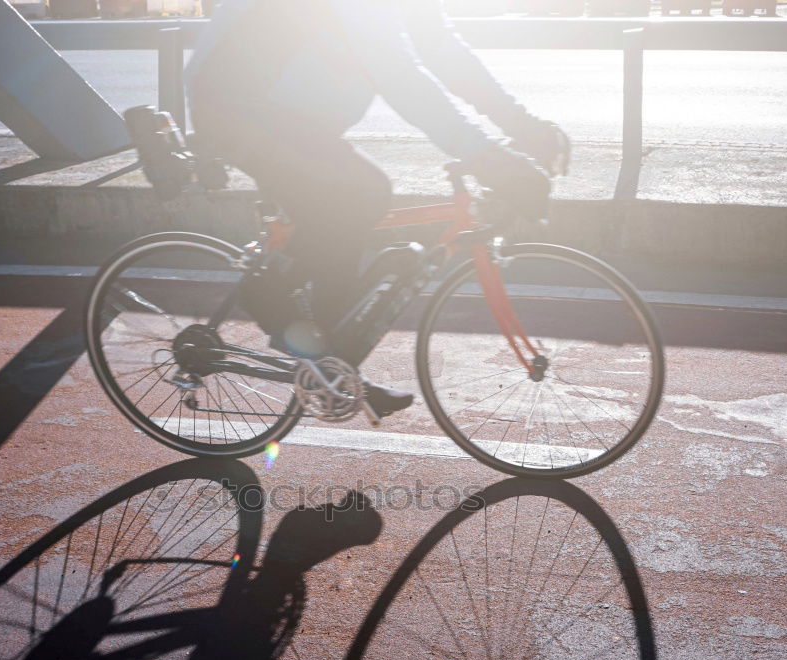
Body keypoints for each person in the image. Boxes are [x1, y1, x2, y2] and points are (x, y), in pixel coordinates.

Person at [187, 0, 569, 417]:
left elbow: (444, 53)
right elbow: (400, 77)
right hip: (235, 106)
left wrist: (522, 125)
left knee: (343, 222)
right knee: (365, 192)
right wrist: (491, 160)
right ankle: (266, 288)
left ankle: (331, 365)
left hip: (294, 119)